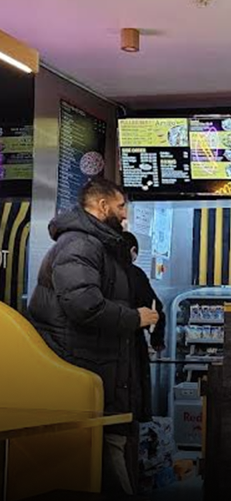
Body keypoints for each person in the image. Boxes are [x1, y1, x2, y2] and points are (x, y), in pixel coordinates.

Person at [29, 178, 159, 498]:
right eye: (121, 206)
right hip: (85, 370)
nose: (125, 214)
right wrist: (136, 318)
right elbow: (83, 305)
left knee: (107, 450)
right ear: (102, 206)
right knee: (103, 456)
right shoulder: (80, 244)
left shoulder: (100, 245)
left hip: (102, 369)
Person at [122, 231, 166, 423]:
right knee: (133, 400)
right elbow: (156, 308)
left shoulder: (99, 269)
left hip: (100, 347)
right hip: (132, 344)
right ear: (133, 251)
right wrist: (157, 340)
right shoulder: (135, 274)